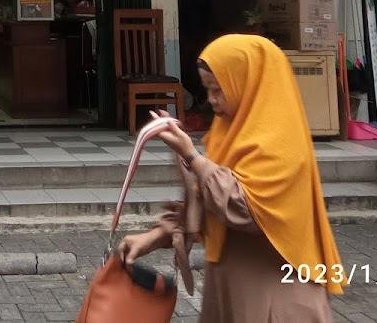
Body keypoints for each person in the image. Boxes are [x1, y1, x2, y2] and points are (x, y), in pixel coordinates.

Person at [118, 33, 343, 322]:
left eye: (218, 89)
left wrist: (193, 157)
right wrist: (153, 237)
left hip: (274, 296)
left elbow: (245, 208)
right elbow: (206, 200)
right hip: (229, 291)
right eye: (207, 89)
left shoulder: (283, 145)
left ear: (248, 84)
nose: (211, 99)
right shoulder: (227, 133)